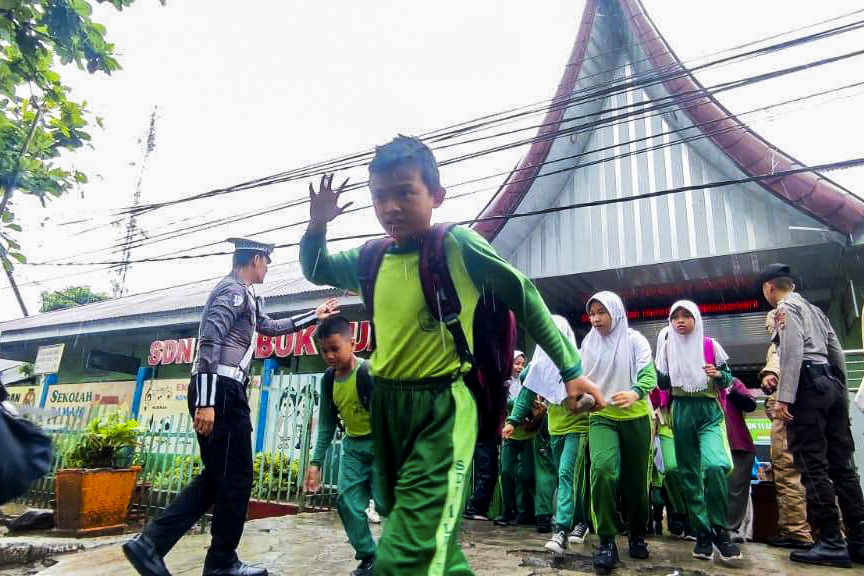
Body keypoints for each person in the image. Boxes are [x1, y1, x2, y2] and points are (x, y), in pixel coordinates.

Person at [300, 136, 603, 575]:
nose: (390, 207)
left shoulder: (456, 246)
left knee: (411, 542)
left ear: (436, 196)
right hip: (388, 410)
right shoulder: (370, 259)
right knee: (420, 538)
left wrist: (570, 369)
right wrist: (317, 226)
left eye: (405, 192)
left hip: (443, 407)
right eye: (380, 196)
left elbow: (523, 294)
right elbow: (317, 269)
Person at [122, 238, 339, 576]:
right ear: (256, 259)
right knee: (237, 478)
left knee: (218, 476)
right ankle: (220, 563)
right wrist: (207, 401)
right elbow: (210, 341)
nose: (268, 268)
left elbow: (269, 327)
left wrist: (314, 315)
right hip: (221, 391)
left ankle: (152, 544)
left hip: (221, 391)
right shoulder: (232, 292)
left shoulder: (244, 295)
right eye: (267, 261)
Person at [758, 263, 864, 567]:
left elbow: (791, 352)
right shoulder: (816, 310)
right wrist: (839, 392)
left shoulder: (784, 308)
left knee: (811, 464)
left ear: (769, 287)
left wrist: (784, 399)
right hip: (832, 384)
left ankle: (831, 541)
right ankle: (859, 540)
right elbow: (837, 352)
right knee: (843, 466)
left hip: (807, 388)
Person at [656, 300, 742, 563]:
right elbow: (662, 384)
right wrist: (663, 362)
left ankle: (719, 529)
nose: (680, 321)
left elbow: (728, 379)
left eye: (686, 315)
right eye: (675, 317)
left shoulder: (710, 345)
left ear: (696, 318)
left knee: (716, 466)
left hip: (708, 412)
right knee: (689, 475)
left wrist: (717, 374)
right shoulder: (667, 347)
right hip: (681, 411)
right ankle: (702, 533)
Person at [580, 292, 656, 573]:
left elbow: (649, 375)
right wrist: (580, 400)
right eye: (592, 313)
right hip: (602, 416)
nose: (596, 319)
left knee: (635, 483)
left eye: (602, 312)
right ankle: (607, 541)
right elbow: (582, 383)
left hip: (635, 417)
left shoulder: (635, 340)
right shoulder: (588, 344)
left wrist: (635, 392)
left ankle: (637, 533)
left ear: (616, 312)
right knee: (602, 470)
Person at [503, 317, 593, 552]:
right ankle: (581, 521)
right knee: (569, 477)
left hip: (578, 427)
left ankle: (561, 531)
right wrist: (512, 421)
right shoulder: (539, 365)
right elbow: (526, 393)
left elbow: (593, 390)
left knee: (566, 474)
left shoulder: (579, 360)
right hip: (555, 428)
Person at [304, 315, 380, 576]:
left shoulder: (370, 372)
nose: (329, 356)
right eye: (324, 350)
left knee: (387, 505)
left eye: (335, 348)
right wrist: (315, 463)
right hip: (353, 448)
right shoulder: (328, 380)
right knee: (347, 503)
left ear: (353, 343)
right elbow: (326, 424)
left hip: (382, 447)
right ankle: (370, 558)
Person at [759, 309, 813, 550]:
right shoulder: (814, 336)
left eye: (770, 325)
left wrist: (770, 374)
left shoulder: (782, 338)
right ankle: (835, 532)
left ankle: (796, 531)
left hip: (787, 412)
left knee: (787, 469)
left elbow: (781, 357)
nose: (770, 330)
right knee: (819, 471)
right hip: (815, 408)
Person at [495, 351, 541, 527]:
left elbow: (538, 406)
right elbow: (504, 403)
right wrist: (524, 405)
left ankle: (527, 512)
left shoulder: (531, 383)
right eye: (516, 363)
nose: (520, 367)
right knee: (506, 472)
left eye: (523, 364)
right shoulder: (504, 384)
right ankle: (508, 511)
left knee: (527, 475)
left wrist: (524, 406)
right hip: (510, 435)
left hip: (528, 436)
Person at [648, 387, 690, 539]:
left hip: (688, 427)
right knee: (671, 471)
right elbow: (654, 412)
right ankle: (679, 514)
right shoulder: (657, 385)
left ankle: (689, 521)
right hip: (665, 432)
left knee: (691, 478)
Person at [720, 378, 757, 538]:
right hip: (707, 445)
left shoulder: (731, 381)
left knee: (735, 491)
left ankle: (729, 529)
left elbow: (750, 404)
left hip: (738, 444)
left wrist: (730, 390)